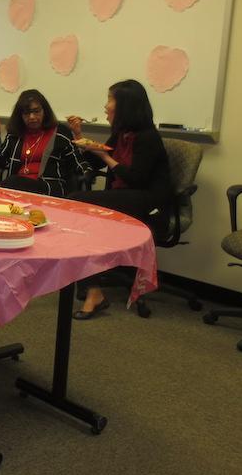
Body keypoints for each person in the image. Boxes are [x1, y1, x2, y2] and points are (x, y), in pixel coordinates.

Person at [66, 79, 172, 320]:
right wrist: (79, 136)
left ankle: (93, 290)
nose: (105, 107)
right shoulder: (121, 134)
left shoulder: (147, 137)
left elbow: (135, 178)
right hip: (127, 197)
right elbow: (92, 162)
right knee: (77, 206)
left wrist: (104, 155)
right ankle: (93, 288)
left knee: (77, 202)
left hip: (150, 203)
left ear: (125, 106)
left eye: (110, 100)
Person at [0, 89, 88, 197]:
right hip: (17, 188)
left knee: (10, 183)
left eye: (36, 111)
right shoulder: (15, 134)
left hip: (48, 189)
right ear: (20, 115)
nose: (32, 117)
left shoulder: (60, 132)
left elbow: (78, 164)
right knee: (10, 185)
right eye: (26, 113)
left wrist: (78, 137)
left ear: (44, 111)